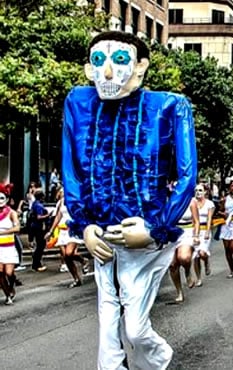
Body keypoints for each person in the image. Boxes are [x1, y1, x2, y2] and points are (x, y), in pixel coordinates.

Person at [62, 31, 197, 369]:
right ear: (88, 69)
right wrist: (84, 225)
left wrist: (156, 227)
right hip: (102, 236)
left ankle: (157, 358)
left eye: (119, 60)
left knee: (135, 328)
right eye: (98, 61)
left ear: (140, 68)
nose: (107, 72)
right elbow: (72, 170)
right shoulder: (77, 103)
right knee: (108, 324)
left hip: (145, 237)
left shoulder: (169, 106)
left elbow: (186, 175)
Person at [44, 188, 90, 288]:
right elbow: (58, 216)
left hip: (73, 230)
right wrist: (51, 231)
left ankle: (83, 260)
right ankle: (76, 278)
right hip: (63, 231)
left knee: (69, 253)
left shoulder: (76, 199)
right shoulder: (61, 202)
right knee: (66, 256)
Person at [0, 184, 21, 305]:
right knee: (0, 273)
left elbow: (17, 228)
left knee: (9, 273)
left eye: (1, 198)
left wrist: (3, 232)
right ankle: (7, 294)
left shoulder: (12, 213)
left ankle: (12, 285)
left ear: (7, 199)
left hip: (9, 248)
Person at [191, 184, 215, 286]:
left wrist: (207, 231)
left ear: (205, 192)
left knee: (202, 253)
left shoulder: (210, 204)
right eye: (196, 190)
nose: (198, 192)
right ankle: (198, 278)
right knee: (195, 256)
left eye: (200, 190)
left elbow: (209, 218)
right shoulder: (192, 202)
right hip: (194, 231)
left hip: (204, 229)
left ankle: (206, 261)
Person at [28, 190, 49, 272]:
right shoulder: (39, 205)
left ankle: (36, 263)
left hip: (33, 226)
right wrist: (48, 215)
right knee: (41, 245)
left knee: (39, 245)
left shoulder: (34, 203)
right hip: (38, 227)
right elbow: (39, 217)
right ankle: (36, 264)